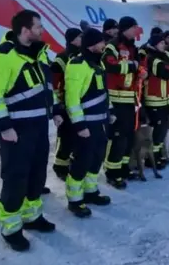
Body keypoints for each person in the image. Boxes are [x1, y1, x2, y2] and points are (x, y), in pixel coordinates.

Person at [0, 10, 61, 251]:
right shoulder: (2, 55)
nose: (41, 30)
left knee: (37, 176)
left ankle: (32, 216)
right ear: (25, 30)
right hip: (16, 130)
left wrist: (56, 110)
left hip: (39, 126)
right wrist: (4, 126)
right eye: (38, 26)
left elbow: (48, 88)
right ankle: (11, 228)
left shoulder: (39, 54)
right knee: (15, 179)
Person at [64, 28, 114, 217]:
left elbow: (101, 94)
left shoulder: (97, 64)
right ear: (92, 44)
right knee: (81, 161)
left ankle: (90, 191)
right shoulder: (77, 64)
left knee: (96, 159)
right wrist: (79, 125)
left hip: (100, 123)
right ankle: (75, 199)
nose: (104, 45)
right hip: (85, 125)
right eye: (101, 42)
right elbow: (72, 98)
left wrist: (109, 113)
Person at [102, 16, 142, 189]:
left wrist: (140, 70)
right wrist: (132, 66)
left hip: (130, 98)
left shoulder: (133, 48)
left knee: (129, 136)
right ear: (125, 28)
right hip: (116, 98)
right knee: (117, 137)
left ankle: (123, 167)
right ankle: (112, 172)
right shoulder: (112, 46)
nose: (136, 31)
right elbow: (109, 66)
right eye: (134, 27)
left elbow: (138, 65)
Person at [51, 28, 83, 181]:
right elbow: (54, 84)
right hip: (65, 104)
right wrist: (59, 105)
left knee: (76, 136)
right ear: (72, 40)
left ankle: (69, 161)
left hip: (78, 103)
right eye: (80, 37)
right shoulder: (61, 58)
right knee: (65, 137)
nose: (82, 39)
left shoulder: (81, 56)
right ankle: (60, 166)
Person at [143, 34, 169, 168]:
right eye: (161, 43)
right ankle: (152, 159)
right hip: (155, 99)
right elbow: (167, 73)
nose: (164, 45)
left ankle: (157, 156)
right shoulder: (153, 59)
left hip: (162, 99)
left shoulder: (160, 57)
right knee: (157, 130)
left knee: (161, 130)